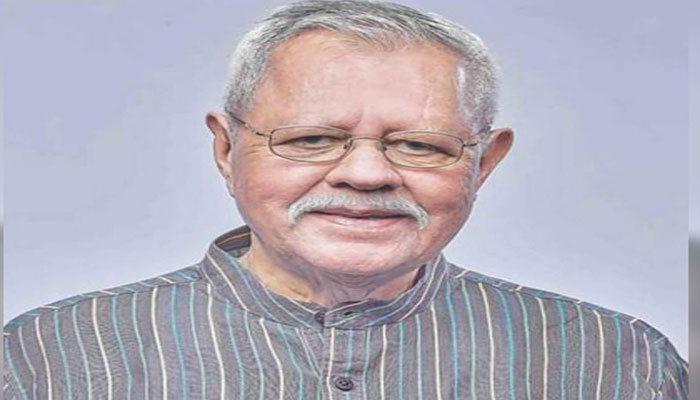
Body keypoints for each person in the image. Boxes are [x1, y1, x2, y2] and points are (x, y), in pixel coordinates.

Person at [3, 1, 688, 399]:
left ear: (484, 163)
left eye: (419, 144)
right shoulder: (48, 358)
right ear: (226, 149)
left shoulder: (615, 362)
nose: (365, 174)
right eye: (312, 139)